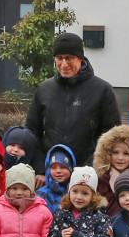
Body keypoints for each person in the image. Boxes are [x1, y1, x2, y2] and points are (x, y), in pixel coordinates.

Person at [26, 32, 121, 185]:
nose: (64, 64)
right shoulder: (44, 89)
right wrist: (41, 169)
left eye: (69, 58)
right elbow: (32, 132)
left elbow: (111, 136)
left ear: (80, 58)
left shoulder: (102, 90)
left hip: (88, 177)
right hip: (51, 176)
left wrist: (90, 170)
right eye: (59, 58)